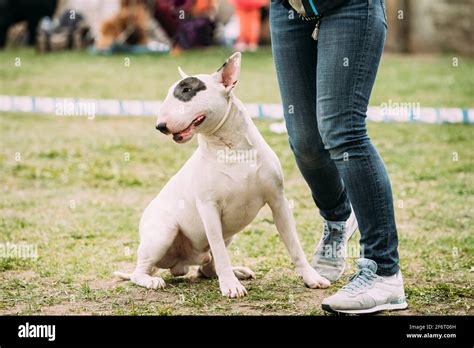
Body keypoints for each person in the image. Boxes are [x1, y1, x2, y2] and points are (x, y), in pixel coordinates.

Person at [270, 0, 408, 314]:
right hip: (288, 8)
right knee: (305, 141)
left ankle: (384, 273)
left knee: (343, 131)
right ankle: (337, 217)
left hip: (349, 6)